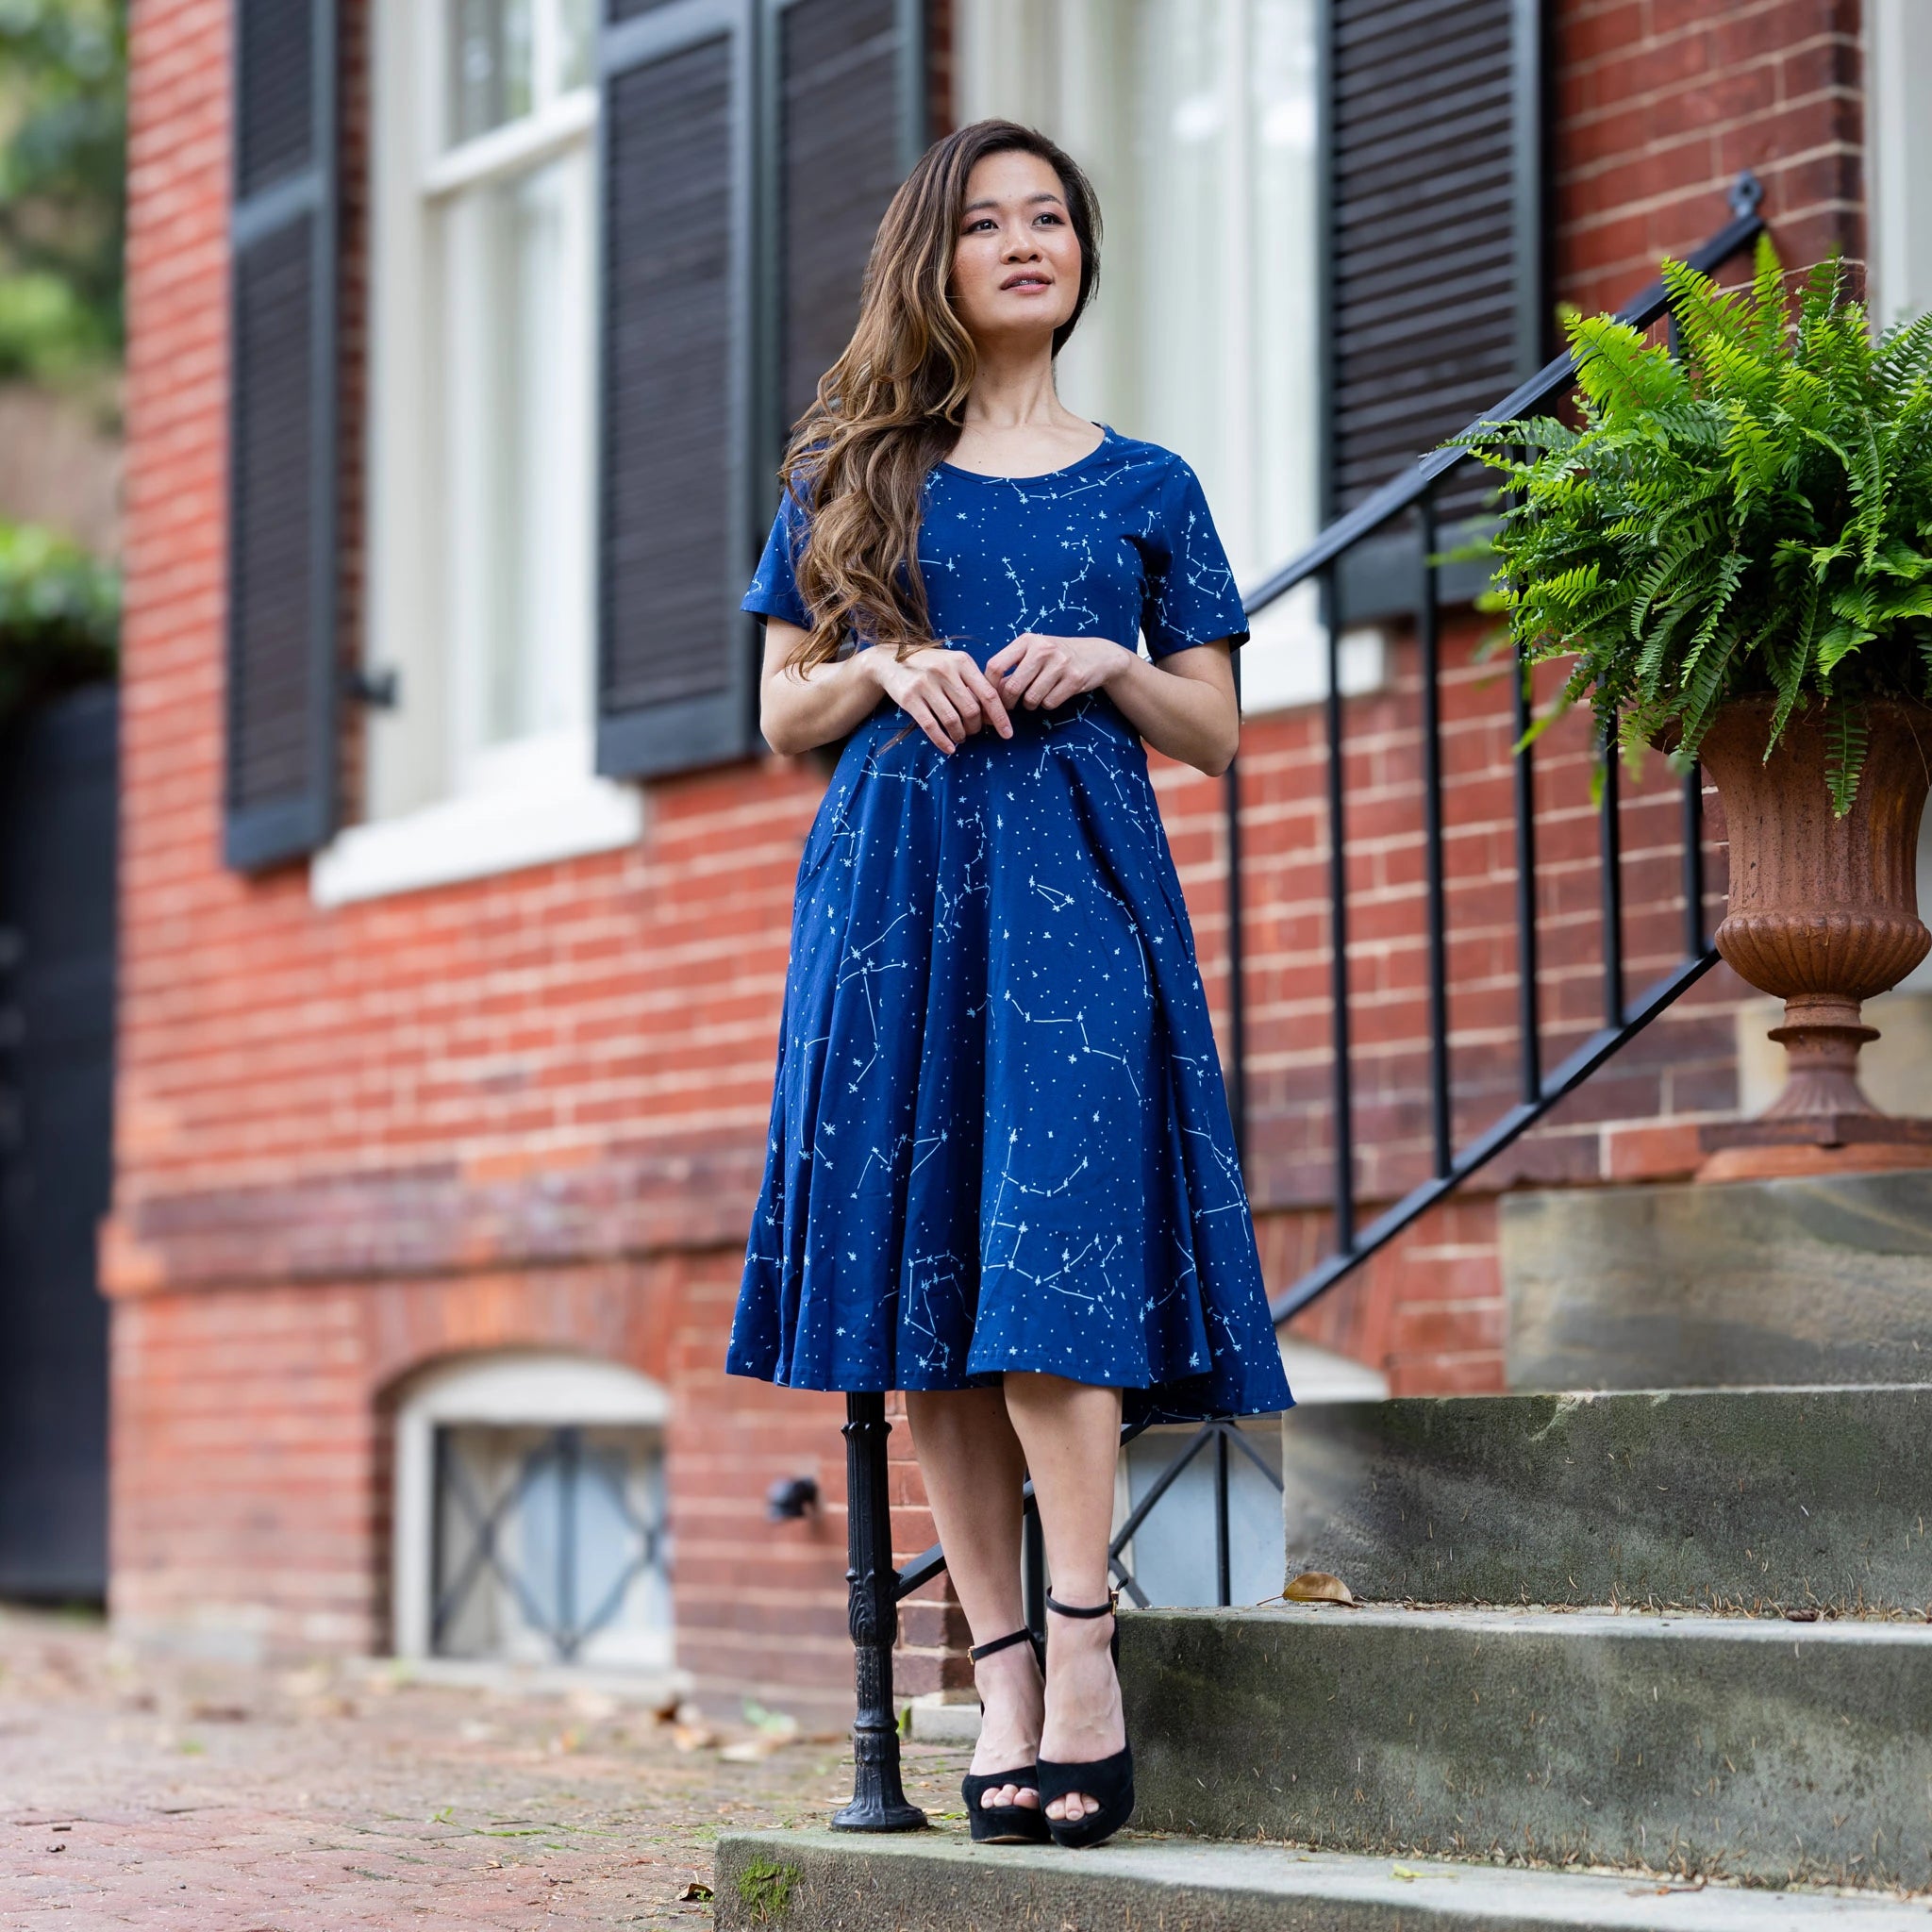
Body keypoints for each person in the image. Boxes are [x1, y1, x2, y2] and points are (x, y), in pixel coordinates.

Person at [726, 117, 1292, 1851]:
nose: (1029, 242)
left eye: (1054, 218)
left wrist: (1117, 659)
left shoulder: (1152, 486)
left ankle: (1088, 1663)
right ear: (937, 258)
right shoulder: (849, 471)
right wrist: (886, 664)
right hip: (896, 896)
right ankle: (1000, 1674)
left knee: (1053, 1271)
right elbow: (777, 714)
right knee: (941, 1309)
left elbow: (1212, 733)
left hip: (1080, 897)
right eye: (991, 222)